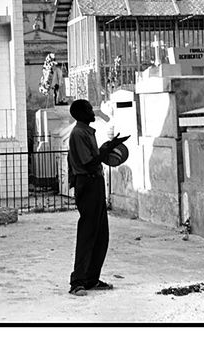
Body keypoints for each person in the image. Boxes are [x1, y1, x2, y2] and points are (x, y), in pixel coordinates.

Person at [67, 99, 129, 296]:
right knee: (87, 233)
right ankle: (77, 282)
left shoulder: (87, 131)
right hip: (87, 183)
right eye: (88, 109)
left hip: (96, 183)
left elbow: (96, 157)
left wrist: (110, 146)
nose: (92, 111)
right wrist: (105, 150)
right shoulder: (78, 133)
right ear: (80, 114)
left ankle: (92, 279)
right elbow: (88, 162)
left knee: (101, 235)